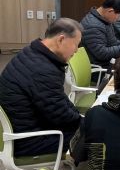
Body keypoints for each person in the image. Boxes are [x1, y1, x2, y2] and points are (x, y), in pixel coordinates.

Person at [0, 18, 82, 156]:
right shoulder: (43, 69)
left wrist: (79, 117)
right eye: (76, 44)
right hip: (27, 141)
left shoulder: (33, 52)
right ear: (61, 39)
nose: (77, 50)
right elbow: (59, 115)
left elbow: (58, 99)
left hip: (23, 127)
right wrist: (86, 123)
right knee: (94, 136)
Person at [80, 0, 120, 69]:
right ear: (110, 11)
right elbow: (102, 53)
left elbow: (112, 43)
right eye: (119, 16)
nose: (118, 19)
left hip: (109, 62)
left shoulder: (103, 19)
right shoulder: (93, 26)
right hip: (102, 68)